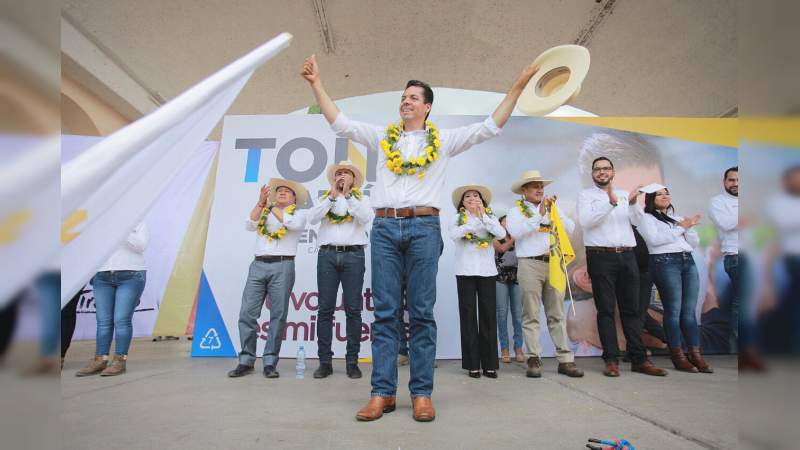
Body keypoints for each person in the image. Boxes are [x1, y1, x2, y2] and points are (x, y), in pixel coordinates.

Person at [302, 54, 539, 422]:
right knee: (385, 313)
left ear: (427, 106)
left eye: (413, 97)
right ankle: (382, 393)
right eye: (403, 97)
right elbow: (341, 123)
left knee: (422, 313)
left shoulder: (443, 140)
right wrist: (317, 84)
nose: (406, 101)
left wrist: (518, 87)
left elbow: (490, 127)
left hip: (424, 227)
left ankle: (422, 393)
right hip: (384, 227)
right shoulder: (383, 137)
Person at [576, 157, 667, 377]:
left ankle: (639, 359)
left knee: (633, 310)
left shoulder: (625, 194)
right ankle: (611, 360)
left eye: (606, 168)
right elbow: (587, 221)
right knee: (606, 310)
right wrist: (610, 202)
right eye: (597, 169)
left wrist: (633, 203)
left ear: (612, 172)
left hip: (627, 255)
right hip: (600, 256)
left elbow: (636, 221)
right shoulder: (585, 196)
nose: (602, 172)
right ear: (592, 174)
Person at [227, 179, 308, 379]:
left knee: (278, 315)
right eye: (279, 190)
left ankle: (270, 362)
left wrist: (271, 206)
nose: (282, 192)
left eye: (287, 191)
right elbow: (249, 224)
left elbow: (292, 224)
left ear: (294, 198)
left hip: (283, 265)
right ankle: (246, 361)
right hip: (258, 264)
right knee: (247, 313)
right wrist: (260, 203)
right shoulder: (265, 211)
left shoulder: (298, 214)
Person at [507, 170, 583, 378]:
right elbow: (516, 233)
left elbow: (570, 228)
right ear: (524, 190)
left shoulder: (553, 208)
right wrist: (539, 215)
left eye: (541, 186)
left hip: (554, 262)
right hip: (529, 263)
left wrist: (554, 213)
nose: (540, 189)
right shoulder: (515, 211)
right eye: (535, 186)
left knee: (556, 313)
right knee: (530, 313)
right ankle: (534, 357)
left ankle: (565, 359)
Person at [634, 185, 713, 373]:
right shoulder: (646, 218)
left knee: (689, 312)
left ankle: (695, 354)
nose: (665, 196)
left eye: (667, 193)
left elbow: (693, 243)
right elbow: (654, 240)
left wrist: (689, 228)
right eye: (659, 194)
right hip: (664, 261)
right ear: (650, 199)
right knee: (673, 310)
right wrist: (680, 228)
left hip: (687, 260)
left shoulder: (677, 218)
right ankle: (678, 356)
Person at [308, 161, 374, 379]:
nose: (342, 176)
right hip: (327, 255)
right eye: (339, 173)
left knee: (353, 309)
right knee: (325, 309)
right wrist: (332, 197)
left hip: (353, 256)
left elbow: (365, 217)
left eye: (346, 173)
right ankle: (324, 362)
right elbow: (312, 218)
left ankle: (352, 362)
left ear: (354, 179)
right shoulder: (326, 197)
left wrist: (348, 196)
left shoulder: (362, 199)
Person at [76, 223, 149, 377]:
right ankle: (100, 359)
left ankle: (119, 361)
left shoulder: (138, 220)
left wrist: (121, 228)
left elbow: (141, 245)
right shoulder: (103, 219)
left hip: (131, 274)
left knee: (121, 319)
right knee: (103, 321)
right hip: (102, 274)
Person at [449, 185, 505, 378]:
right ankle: (472, 364)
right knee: (468, 317)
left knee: (488, 316)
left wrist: (483, 218)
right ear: (462, 202)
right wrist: (473, 222)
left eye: (476, 196)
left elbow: (501, 234)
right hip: (465, 271)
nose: (472, 198)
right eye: (468, 196)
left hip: (487, 271)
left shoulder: (489, 217)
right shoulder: (457, 219)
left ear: (483, 201)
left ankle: (490, 364)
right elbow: (454, 235)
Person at [493, 215, 524, 364]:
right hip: (500, 277)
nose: (508, 223)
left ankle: (518, 348)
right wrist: (515, 238)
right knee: (502, 313)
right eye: (505, 221)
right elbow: (501, 248)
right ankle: (504, 348)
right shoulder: (495, 237)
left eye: (510, 220)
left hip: (517, 277)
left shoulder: (521, 238)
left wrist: (518, 236)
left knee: (518, 314)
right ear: (499, 224)